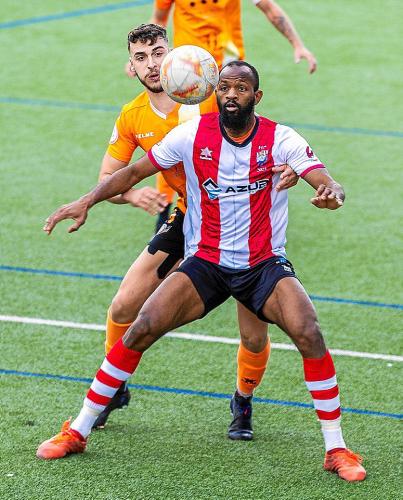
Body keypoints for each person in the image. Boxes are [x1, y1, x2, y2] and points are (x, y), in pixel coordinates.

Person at [37, 61, 366, 482]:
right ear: (215, 92)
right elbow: (134, 172)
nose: (231, 95)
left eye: (241, 89)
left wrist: (332, 193)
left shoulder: (280, 138)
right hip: (206, 262)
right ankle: (79, 430)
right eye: (224, 87)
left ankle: (336, 448)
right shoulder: (191, 135)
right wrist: (87, 200)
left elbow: (325, 180)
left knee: (309, 331)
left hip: (262, 264)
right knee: (141, 327)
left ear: (256, 97)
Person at [85, 24, 298, 436]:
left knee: (253, 334)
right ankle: (113, 387)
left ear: (173, 55)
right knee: (124, 305)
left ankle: (243, 399)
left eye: (158, 53)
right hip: (185, 215)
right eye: (141, 57)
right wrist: (134, 195)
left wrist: (289, 167)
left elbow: (266, 139)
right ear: (130, 67)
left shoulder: (213, 101)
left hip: (238, 220)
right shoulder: (132, 116)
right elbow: (108, 179)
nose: (151, 64)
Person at [143, 0, 318, 229]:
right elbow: (159, 19)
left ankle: (234, 202)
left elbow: (268, 7)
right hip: (188, 78)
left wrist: (297, 44)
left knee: (234, 140)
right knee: (177, 141)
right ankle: (167, 209)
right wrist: (148, 60)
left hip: (228, 77)